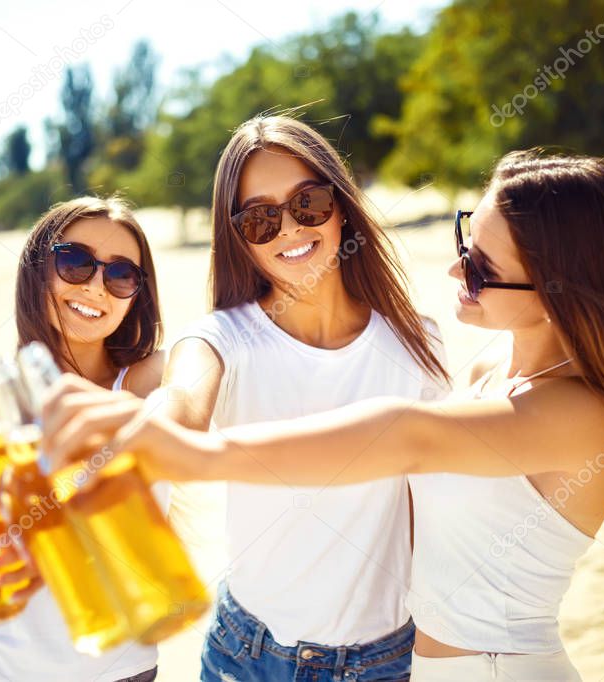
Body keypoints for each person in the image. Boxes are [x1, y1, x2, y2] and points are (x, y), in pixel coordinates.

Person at [41, 151, 604, 681]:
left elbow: (407, 437)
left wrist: (204, 458)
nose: (455, 271)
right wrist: (152, 421)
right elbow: (191, 386)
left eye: (479, 268)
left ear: (561, 290)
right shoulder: (482, 367)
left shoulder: (580, 418)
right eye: (462, 243)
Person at [45, 114, 450, 681]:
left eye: (307, 203)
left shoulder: (417, 342)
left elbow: (431, 511)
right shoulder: (220, 338)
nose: (288, 228)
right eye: (259, 217)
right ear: (238, 236)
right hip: (246, 656)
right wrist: (140, 434)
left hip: (384, 660)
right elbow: (182, 403)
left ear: (341, 205)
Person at [0, 196, 166, 682]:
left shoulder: (153, 384)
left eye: (121, 275)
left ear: (135, 295)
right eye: (75, 262)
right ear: (39, 270)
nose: (97, 286)